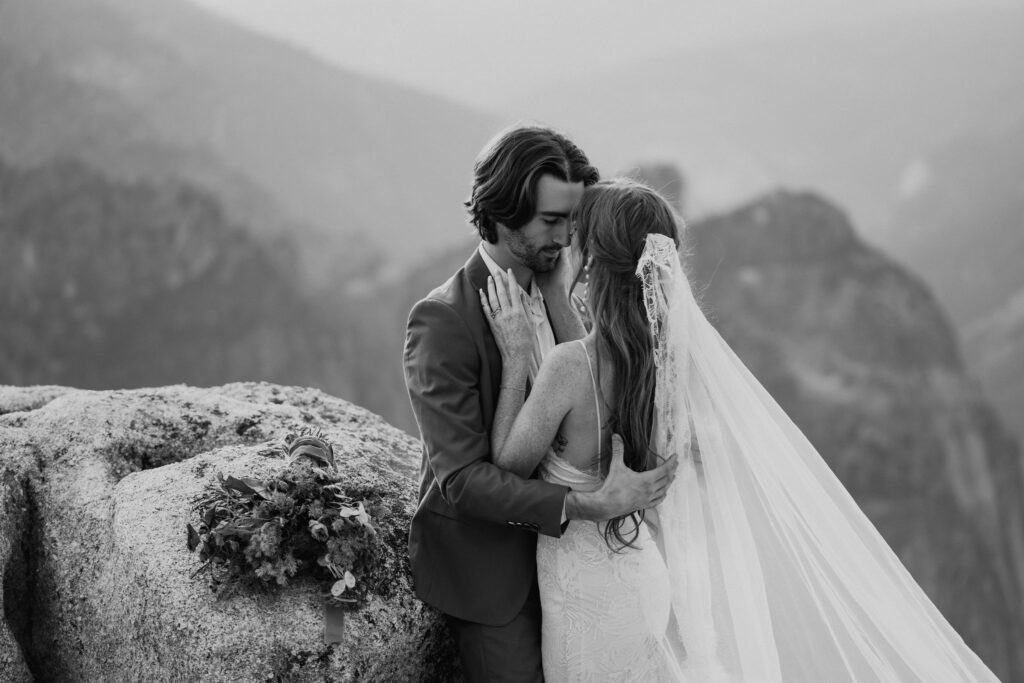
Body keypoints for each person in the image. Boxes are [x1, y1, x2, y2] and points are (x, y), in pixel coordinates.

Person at [481, 177, 1001, 682]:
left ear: (592, 262)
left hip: (584, 595)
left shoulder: (568, 368)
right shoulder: (664, 365)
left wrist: (515, 355)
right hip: (638, 580)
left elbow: (508, 463)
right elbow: (601, 375)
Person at [403, 126, 678, 682]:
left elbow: (594, 399)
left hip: (581, 567)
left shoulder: (568, 293)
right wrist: (585, 506)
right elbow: (463, 482)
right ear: (503, 215)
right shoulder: (443, 320)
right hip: (493, 574)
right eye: (552, 221)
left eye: (574, 220)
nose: (569, 236)